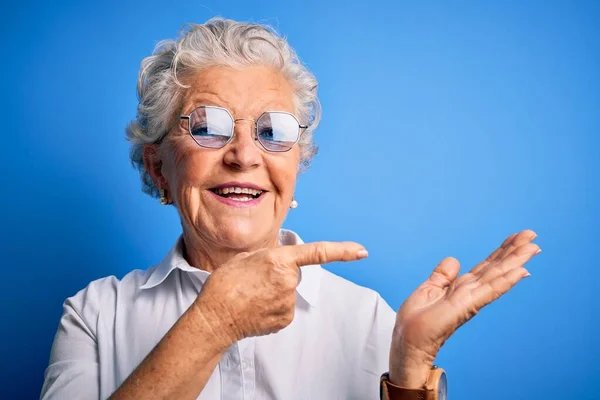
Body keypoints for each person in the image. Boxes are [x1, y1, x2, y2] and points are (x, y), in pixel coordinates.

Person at [40, 18, 541, 400]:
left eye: (273, 131)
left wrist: (410, 368)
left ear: (296, 168)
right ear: (158, 168)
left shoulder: (368, 320)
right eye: (209, 126)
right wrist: (215, 322)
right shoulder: (94, 316)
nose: (244, 155)